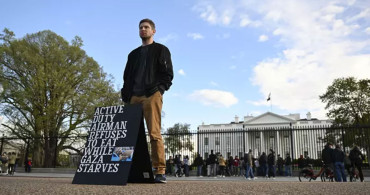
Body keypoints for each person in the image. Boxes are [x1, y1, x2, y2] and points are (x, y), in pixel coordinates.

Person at [121, 18, 174, 184]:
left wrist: (159, 90)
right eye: (141, 28)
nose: (143, 30)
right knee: (127, 135)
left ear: (153, 31)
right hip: (133, 97)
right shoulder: (133, 54)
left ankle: (159, 171)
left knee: (154, 133)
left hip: (152, 95)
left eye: (146, 27)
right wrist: (126, 94)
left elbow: (168, 74)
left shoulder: (161, 50)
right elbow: (126, 77)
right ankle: (121, 169)